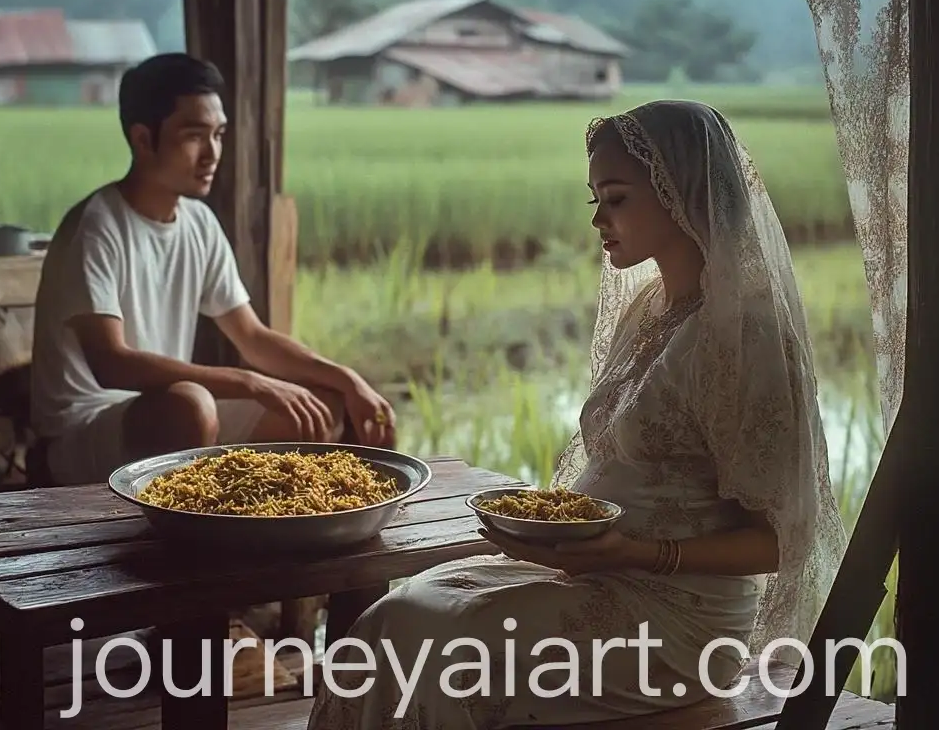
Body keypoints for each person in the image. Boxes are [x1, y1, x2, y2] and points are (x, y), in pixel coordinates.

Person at [309, 101, 843, 728]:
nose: (597, 219)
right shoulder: (650, 310)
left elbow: (779, 542)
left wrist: (636, 552)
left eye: (615, 198)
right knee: (395, 618)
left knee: (445, 642)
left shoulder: (742, 338)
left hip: (680, 620)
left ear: (681, 193)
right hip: (605, 578)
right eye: (595, 197)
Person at [30, 53, 397, 486]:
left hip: (170, 416)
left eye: (219, 135)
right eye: (194, 136)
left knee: (318, 407)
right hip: (86, 428)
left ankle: (257, 529)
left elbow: (254, 337)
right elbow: (113, 364)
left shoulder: (198, 222)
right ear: (143, 138)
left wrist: (348, 379)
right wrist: (249, 383)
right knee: (192, 404)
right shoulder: (96, 225)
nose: (212, 153)